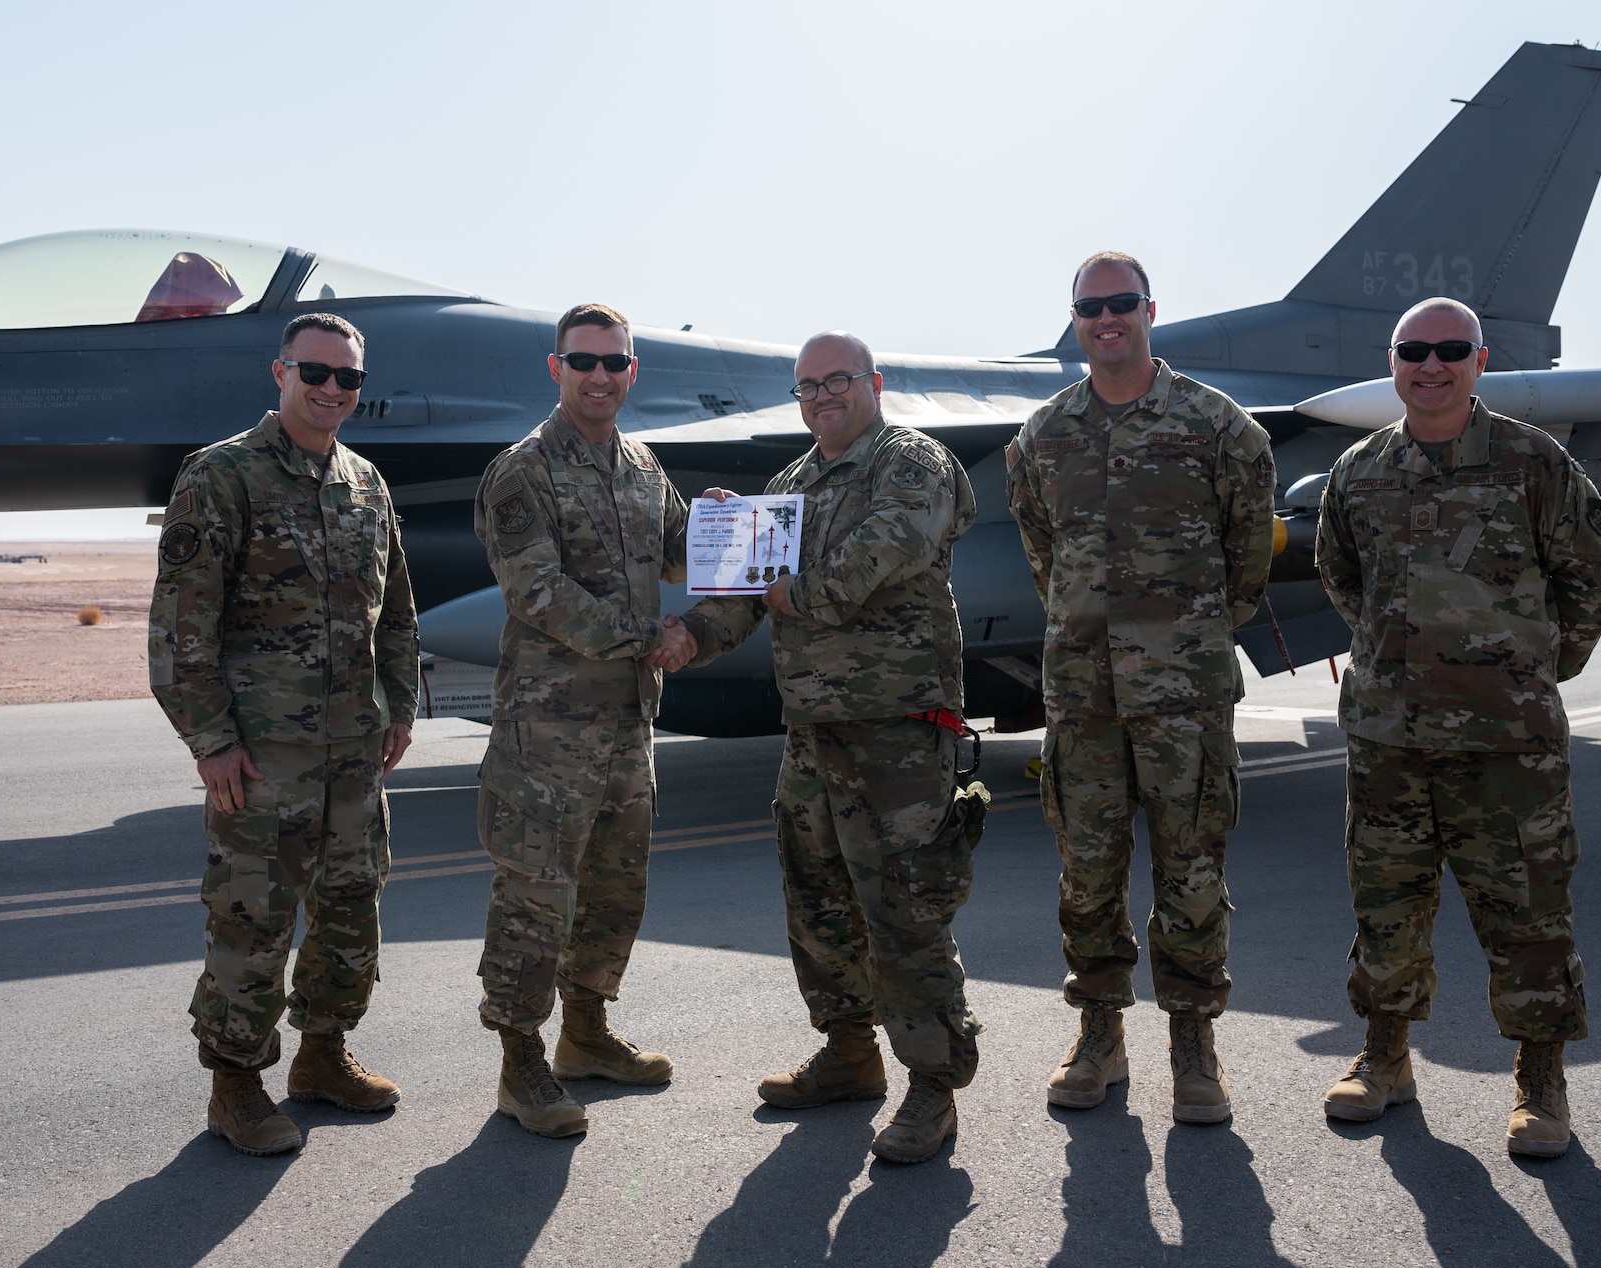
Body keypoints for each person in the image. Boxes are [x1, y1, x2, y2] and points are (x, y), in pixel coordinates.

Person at [1314, 296, 1601, 1157]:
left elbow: (1594, 577)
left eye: (1452, 349)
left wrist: (1532, 670)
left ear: (1480, 360)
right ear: (1394, 361)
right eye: (1415, 349)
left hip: (1507, 746)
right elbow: (1341, 578)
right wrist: (1394, 665)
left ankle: (1540, 1079)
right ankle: (1384, 1055)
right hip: (1388, 741)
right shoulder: (1360, 472)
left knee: (1528, 914)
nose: (1432, 364)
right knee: (1385, 907)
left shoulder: (1534, 464)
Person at [682, 331, 982, 1165]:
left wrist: (795, 588)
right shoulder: (788, 485)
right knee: (817, 903)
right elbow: (743, 600)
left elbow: (878, 555)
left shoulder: (910, 461)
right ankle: (851, 1052)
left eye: (838, 380)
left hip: (899, 729)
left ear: (873, 383)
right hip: (813, 731)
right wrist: (685, 636)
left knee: (905, 907)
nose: (822, 397)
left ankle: (932, 1084)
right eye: (807, 386)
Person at [1005, 252, 1275, 1124]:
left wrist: (1182, 637)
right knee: (1086, 872)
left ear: (1151, 309)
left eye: (1122, 304)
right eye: (1091, 307)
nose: (1107, 318)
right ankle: (1099, 1035)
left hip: (1185, 696)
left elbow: (1247, 561)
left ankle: (1194, 1045)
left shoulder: (1219, 427)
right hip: (1082, 696)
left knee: (1192, 869)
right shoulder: (1042, 437)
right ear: (1075, 319)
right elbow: (1044, 553)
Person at [149, 311, 418, 1156]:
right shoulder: (221, 476)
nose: (333, 388)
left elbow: (397, 611)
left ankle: (324, 1058)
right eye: (317, 372)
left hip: (354, 753)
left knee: (349, 913)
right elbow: (180, 630)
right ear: (280, 372)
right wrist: (211, 740)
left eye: (349, 378)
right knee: (252, 922)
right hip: (263, 759)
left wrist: (401, 705)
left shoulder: (367, 485)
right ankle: (236, 1086)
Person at [471, 303, 697, 1139]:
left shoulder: (641, 466)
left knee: (613, 889)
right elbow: (537, 591)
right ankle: (520, 1060)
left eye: (615, 362)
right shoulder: (522, 471)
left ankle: (588, 1032)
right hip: (549, 731)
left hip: (628, 724)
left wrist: (721, 524)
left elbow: (679, 552)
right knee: (537, 894)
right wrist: (651, 636)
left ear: (633, 371)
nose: (599, 375)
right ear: (555, 367)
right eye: (584, 361)